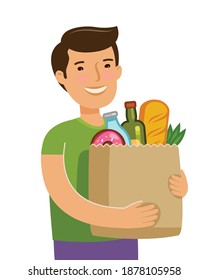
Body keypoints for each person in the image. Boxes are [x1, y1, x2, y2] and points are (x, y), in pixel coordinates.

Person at [41, 26, 188, 260]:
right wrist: (120, 218)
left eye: (106, 65)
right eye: (81, 68)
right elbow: (63, 197)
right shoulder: (57, 136)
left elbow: (141, 180)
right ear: (62, 77)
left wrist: (177, 187)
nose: (97, 77)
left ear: (118, 71)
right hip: (75, 242)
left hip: (125, 238)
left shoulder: (130, 134)